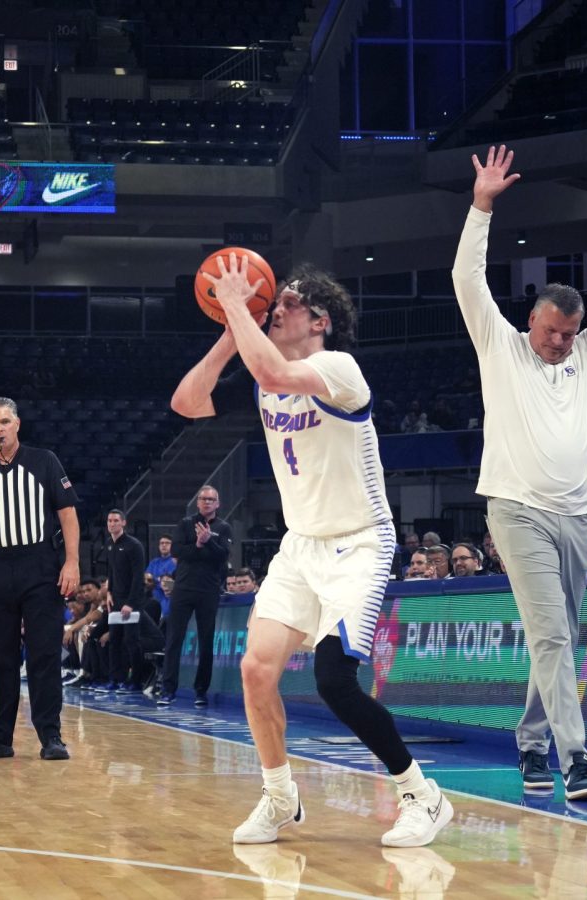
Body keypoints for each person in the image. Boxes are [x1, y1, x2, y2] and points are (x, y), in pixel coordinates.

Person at [171, 254, 453, 848]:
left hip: (358, 544)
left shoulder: (340, 368)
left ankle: (422, 796)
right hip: (301, 547)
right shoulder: (266, 365)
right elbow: (188, 402)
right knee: (255, 671)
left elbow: (274, 375)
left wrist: (240, 317)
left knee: (333, 679)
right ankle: (279, 797)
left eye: (288, 302)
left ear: (319, 319)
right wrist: (231, 329)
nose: (275, 307)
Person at [452, 145, 587, 801]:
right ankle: (577, 759)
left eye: (568, 334)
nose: (559, 342)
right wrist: (482, 205)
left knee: (561, 639)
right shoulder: (501, 345)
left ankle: (532, 744)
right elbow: (466, 279)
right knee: (550, 635)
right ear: (531, 319)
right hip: (515, 508)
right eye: (550, 331)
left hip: (577, 515)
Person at [0, 397, 80, 762]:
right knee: (0, 657)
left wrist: (71, 562)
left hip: (39, 565)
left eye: (5, 421)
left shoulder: (44, 461)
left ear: (17, 424)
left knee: (44, 653)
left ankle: (51, 736)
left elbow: (67, 513)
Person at [158, 485, 232, 708]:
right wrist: (200, 544)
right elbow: (177, 551)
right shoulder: (185, 524)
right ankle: (168, 690)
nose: (207, 502)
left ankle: (201, 691)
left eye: (211, 499)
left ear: (217, 504)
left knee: (206, 642)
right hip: (183, 588)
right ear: (198, 502)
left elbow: (222, 556)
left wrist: (208, 541)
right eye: (203, 499)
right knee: (174, 641)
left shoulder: (224, 527)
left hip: (208, 590)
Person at [102, 509, 152, 694]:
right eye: (109, 520)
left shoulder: (134, 545)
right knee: (114, 639)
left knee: (131, 640)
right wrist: (109, 592)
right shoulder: (109, 544)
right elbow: (112, 572)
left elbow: (138, 576)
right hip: (116, 599)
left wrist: (130, 603)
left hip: (132, 600)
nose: (112, 523)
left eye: (116, 520)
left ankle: (136, 680)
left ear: (123, 523)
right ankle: (116, 678)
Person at [144, 533, 177, 619]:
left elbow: (171, 585)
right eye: (161, 543)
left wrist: (156, 581)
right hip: (153, 601)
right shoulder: (154, 562)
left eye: (167, 543)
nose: (164, 545)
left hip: (169, 602)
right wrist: (160, 581)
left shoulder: (175, 562)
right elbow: (146, 580)